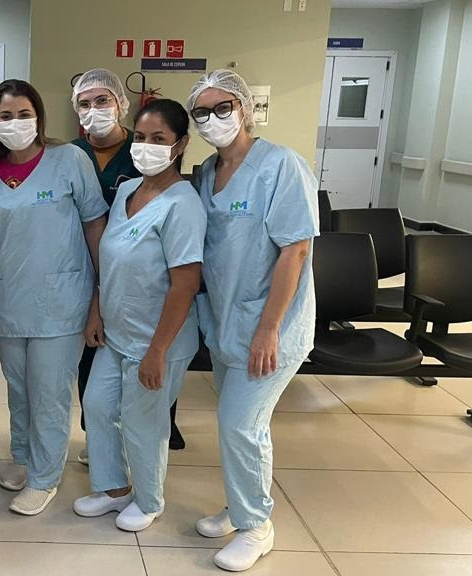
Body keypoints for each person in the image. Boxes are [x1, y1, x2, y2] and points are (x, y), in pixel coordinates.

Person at [0, 80, 107, 515]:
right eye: (5, 116)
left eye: (24, 114)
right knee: (18, 388)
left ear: (39, 117)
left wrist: (101, 294)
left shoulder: (69, 160)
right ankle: (24, 455)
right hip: (9, 298)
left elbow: (95, 225)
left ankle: (45, 476)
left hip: (63, 300)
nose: (15, 123)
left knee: (49, 392)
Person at [187, 70, 318, 572]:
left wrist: (268, 329)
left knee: (241, 425)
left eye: (223, 108)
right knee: (235, 423)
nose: (213, 119)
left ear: (244, 109)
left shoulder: (281, 165)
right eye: (202, 112)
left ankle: (256, 525)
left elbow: (295, 249)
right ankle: (239, 504)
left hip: (270, 327)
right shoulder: (206, 171)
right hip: (225, 322)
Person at [74, 99, 204, 533]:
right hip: (117, 333)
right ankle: (113, 490)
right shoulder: (128, 190)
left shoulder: (183, 205)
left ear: (180, 145)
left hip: (158, 340)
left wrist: (157, 352)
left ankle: (149, 500)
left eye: (159, 139)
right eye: (142, 137)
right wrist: (97, 311)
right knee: (96, 405)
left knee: (143, 423)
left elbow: (185, 284)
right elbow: (109, 260)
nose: (147, 146)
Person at [70, 69, 185, 461]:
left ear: (120, 103)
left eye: (102, 100)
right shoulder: (71, 154)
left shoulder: (144, 149)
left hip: (145, 276)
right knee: (95, 359)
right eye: (85, 103)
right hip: (90, 271)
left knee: (150, 368)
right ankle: (97, 437)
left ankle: (152, 436)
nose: (94, 110)